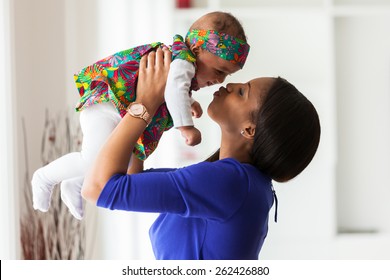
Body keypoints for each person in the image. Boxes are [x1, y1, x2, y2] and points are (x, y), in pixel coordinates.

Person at [82, 47, 321, 260]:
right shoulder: (239, 182)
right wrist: (151, 105)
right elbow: (131, 180)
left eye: (241, 92)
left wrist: (144, 104)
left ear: (249, 129)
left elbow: (98, 188)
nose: (229, 85)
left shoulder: (232, 183)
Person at [31, 12, 250, 220]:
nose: (220, 80)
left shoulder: (181, 65)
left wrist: (189, 102)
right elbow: (173, 90)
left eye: (227, 75)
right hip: (107, 107)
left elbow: (171, 88)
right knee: (92, 159)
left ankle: (76, 184)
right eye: (220, 71)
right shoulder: (183, 62)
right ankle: (44, 177)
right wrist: (186, 127)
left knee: (112, 162)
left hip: (119, 111)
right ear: (197, 48)